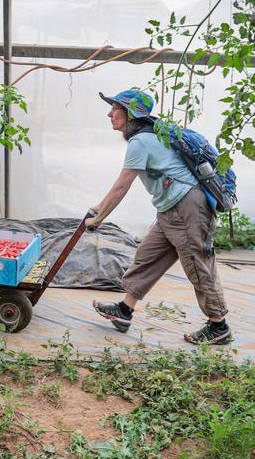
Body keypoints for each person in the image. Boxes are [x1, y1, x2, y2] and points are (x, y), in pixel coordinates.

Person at [87, 88, 230, 345]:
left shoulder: (140, 141)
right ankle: (124, 310)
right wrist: (99, 208)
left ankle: (219, 325)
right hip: (171, 208)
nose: (109, 113)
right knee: (148, 256)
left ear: (130, 113)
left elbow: (122, 185)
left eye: (114, 108)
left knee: (197, 264)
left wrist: (99, 216)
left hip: (187, 207)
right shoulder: (151, 135)